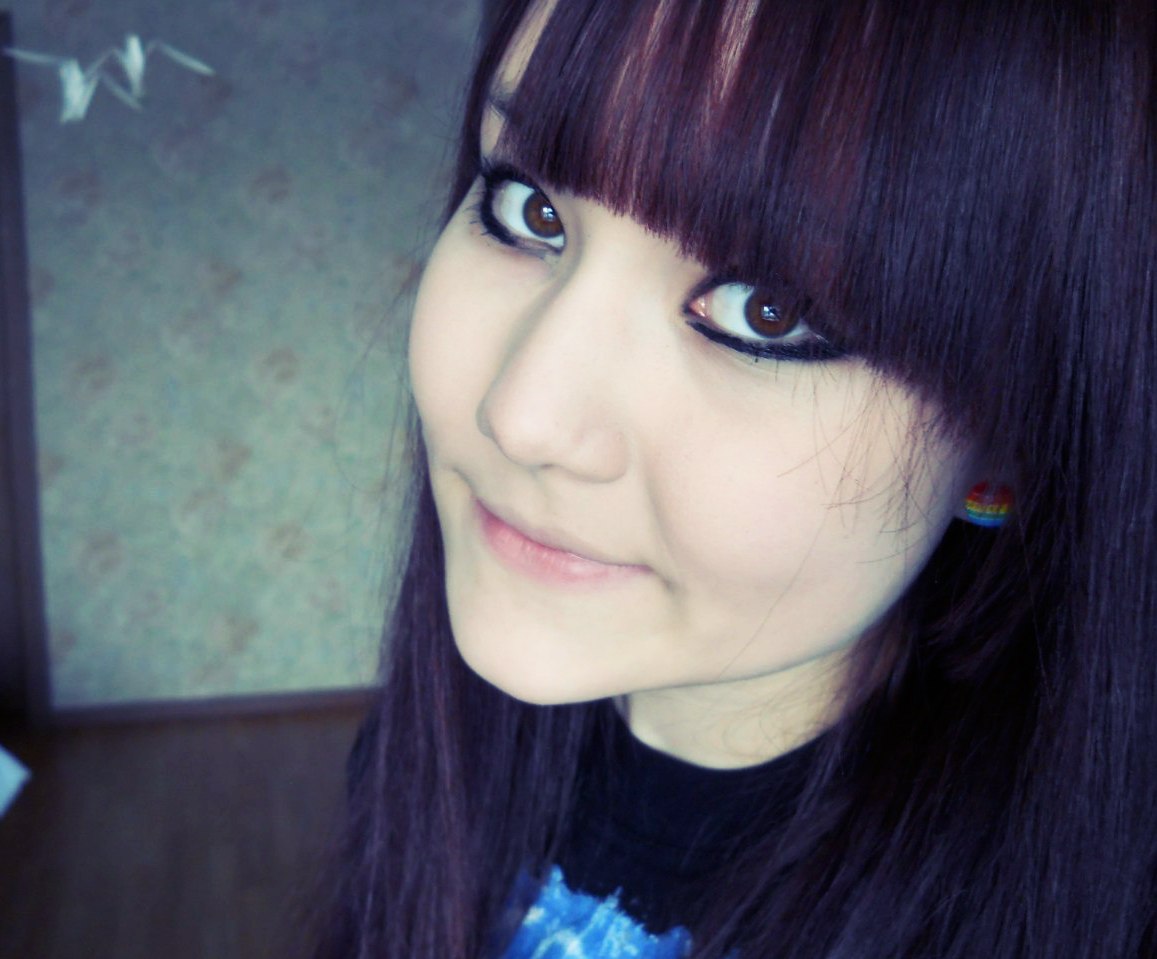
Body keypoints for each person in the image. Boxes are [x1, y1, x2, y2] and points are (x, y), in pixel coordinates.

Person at [315, 1, 1156, 956]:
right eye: (528, 209)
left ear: (1012, 433)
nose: (522, 417)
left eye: (766, 311)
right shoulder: (431, 745)